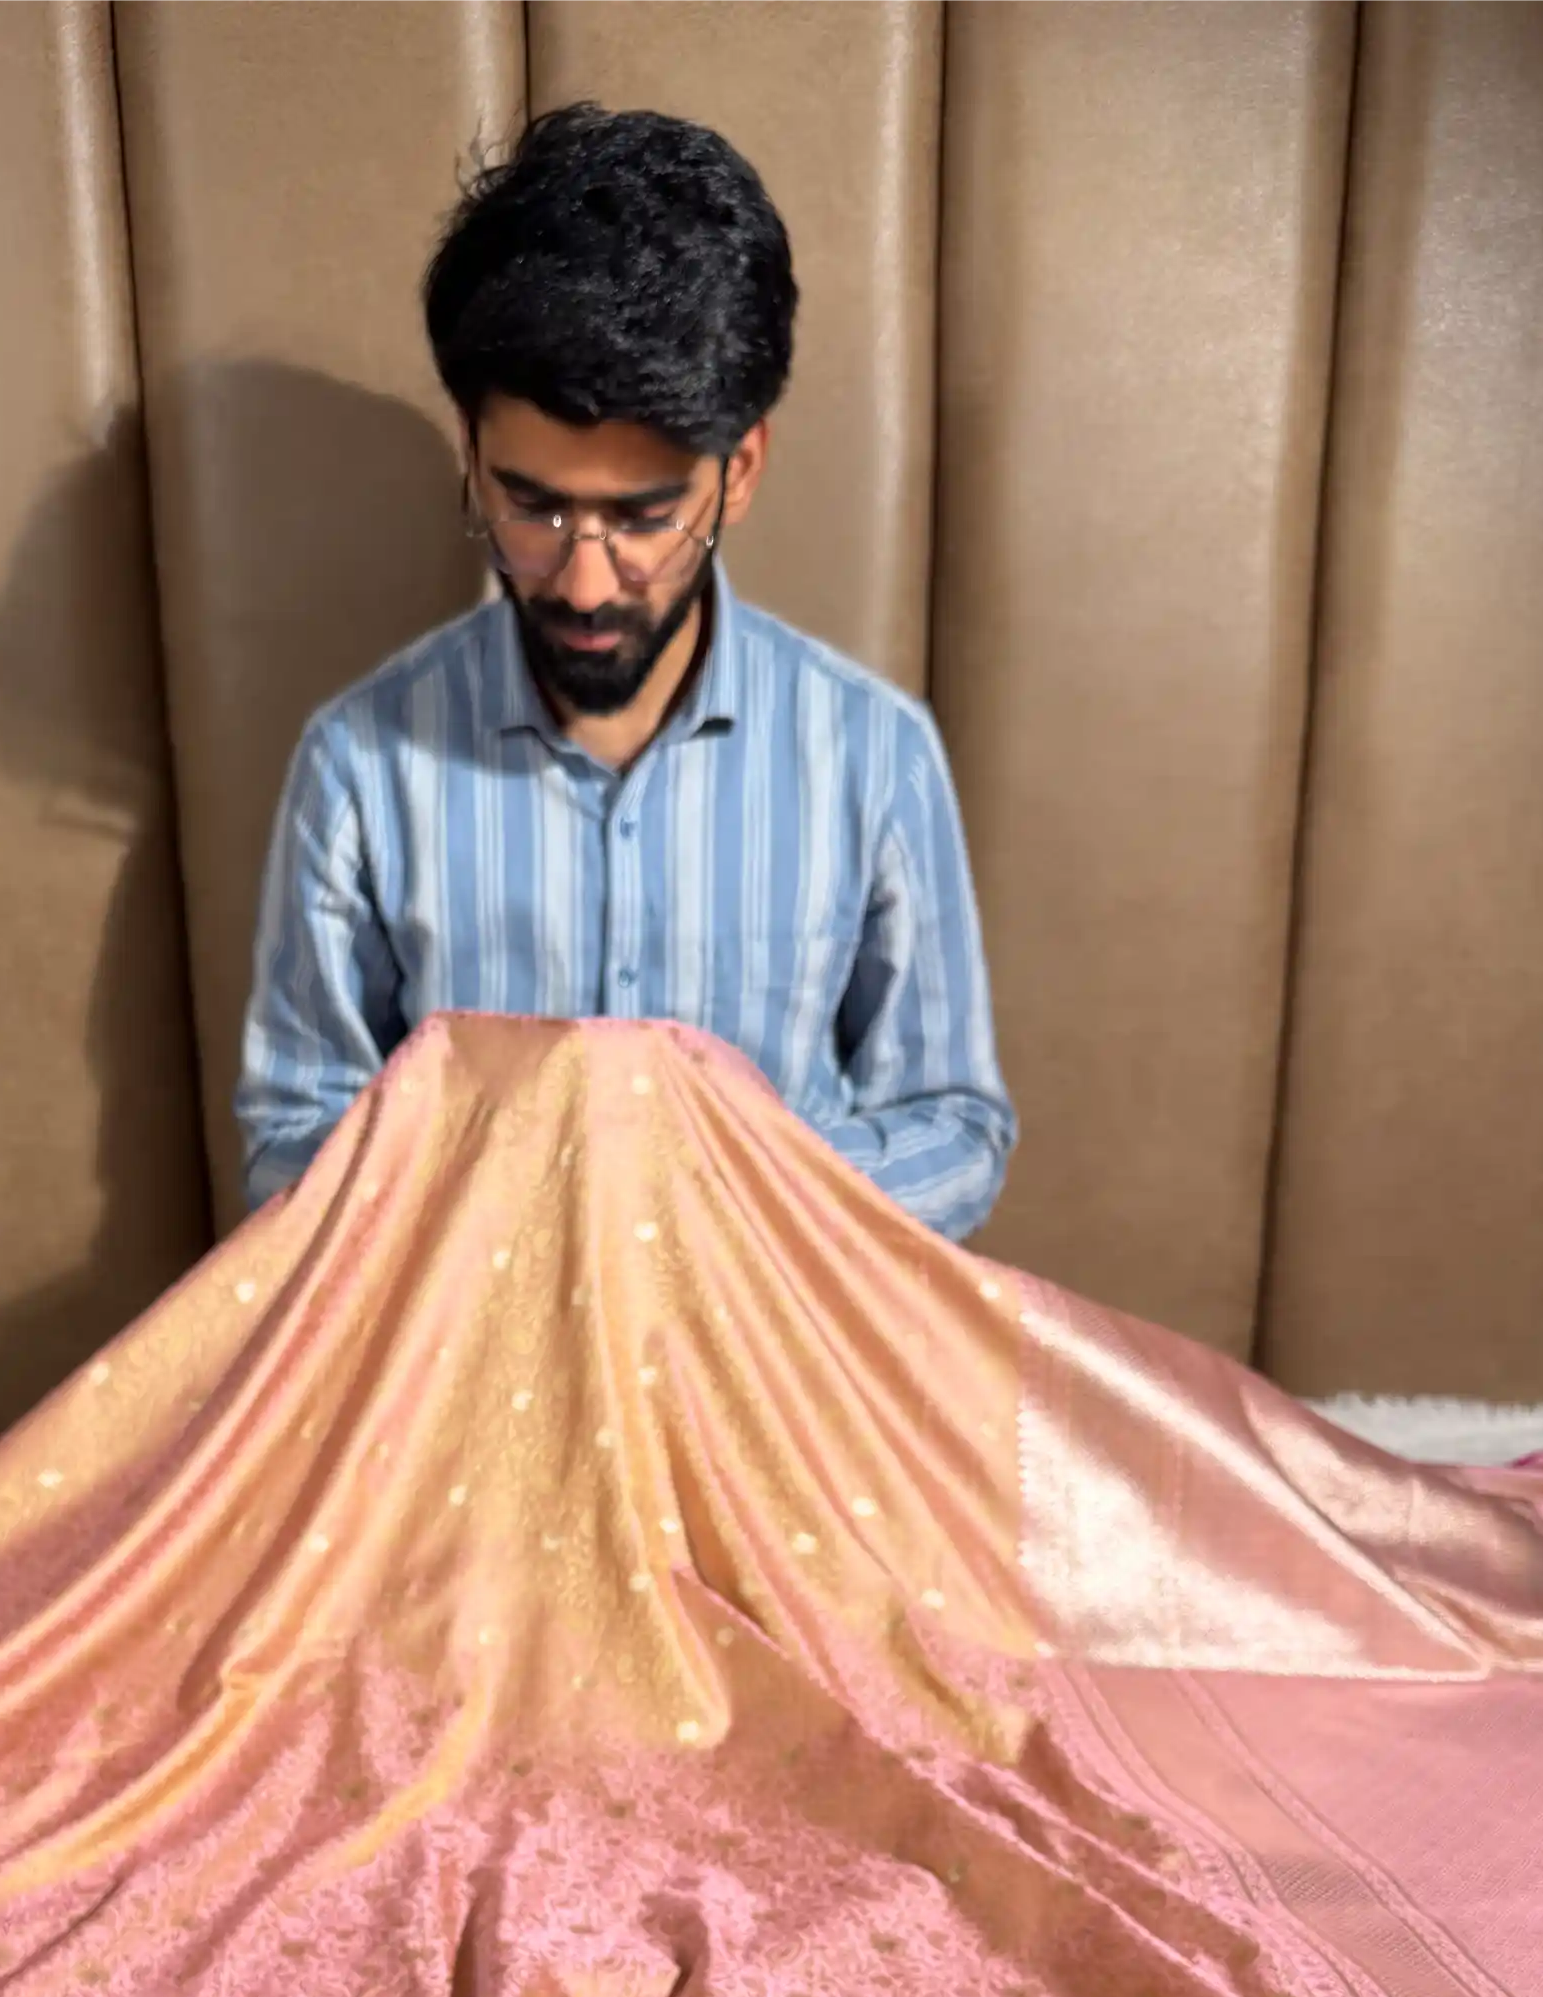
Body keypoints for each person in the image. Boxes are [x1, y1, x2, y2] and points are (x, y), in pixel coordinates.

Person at [235, 103, 1015, 1238]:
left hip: (777, 1347)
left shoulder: (872, 753)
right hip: (469, 1351)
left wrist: (710, 1199)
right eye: (532, 505)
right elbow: (289, 1136)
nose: (586, 583)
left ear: (736, 470)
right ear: (473, 454)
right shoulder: (358, 764)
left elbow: (955, 1126)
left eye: (644, 516)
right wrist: (508, 1213)